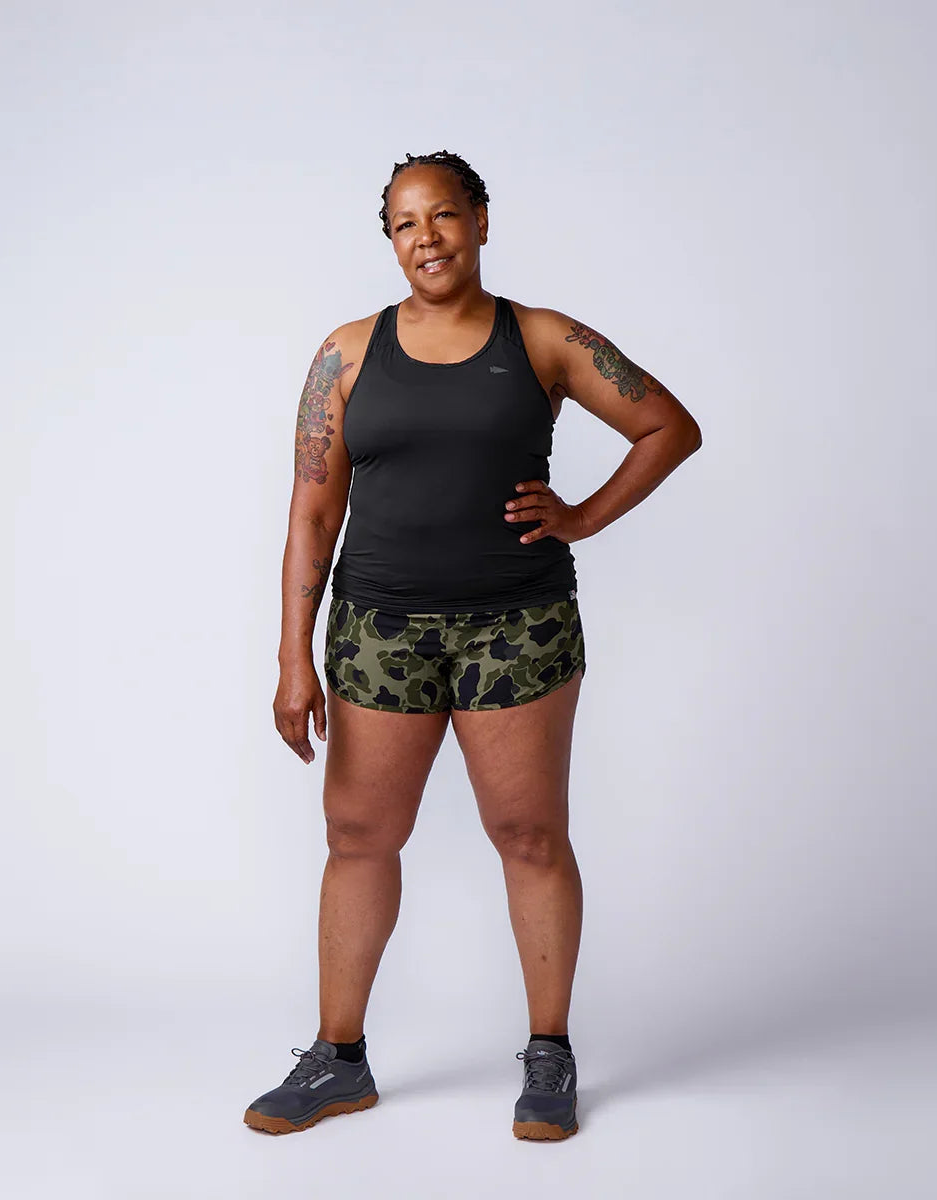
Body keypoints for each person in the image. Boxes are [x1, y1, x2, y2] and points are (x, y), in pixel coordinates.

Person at [245, 150, 702, 1141]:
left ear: (482, 220)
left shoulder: (543, 339)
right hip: (379, 630)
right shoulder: (346, 355)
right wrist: (291, 658)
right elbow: (312, 511)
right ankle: (338, 1060)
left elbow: (668, 426)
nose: (427, 238)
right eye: (405, 224)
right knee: (359, 838)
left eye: (444, 215)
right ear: (390, 241)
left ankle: (549, 1055)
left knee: (529, 836)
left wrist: (580, 518)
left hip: (517, 626)